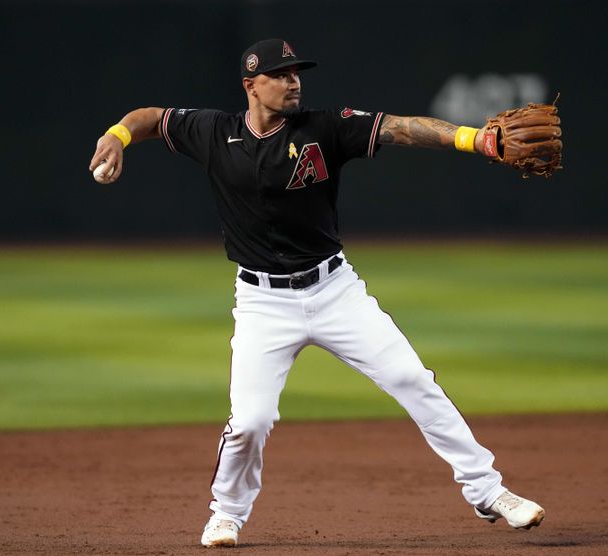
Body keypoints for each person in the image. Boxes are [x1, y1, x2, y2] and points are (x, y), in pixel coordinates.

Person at [89, 38, 545, 548]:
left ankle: (487, 490)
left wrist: (472, 139)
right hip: (263, 303)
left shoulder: (325, 127)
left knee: (412, 378)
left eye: (296, 72)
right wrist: (117, 136)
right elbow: (151, 116)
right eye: (281, 74)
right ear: (251, 85)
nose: (293, 81)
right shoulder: (213, 131)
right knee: (251, 421)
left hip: (335, 291)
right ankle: (226, 514)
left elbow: (398, 128)